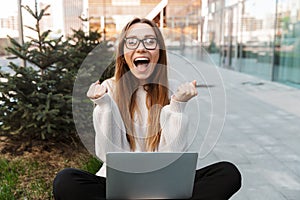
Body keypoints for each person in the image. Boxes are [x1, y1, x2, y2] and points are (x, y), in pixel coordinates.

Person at [53, 18, 241, 200]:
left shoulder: (174, 89)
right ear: (123, 54)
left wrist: (177, 106)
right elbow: (107, 155)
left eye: (150, 41)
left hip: (165, 184)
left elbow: (173, 157)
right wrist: (104, 105)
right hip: (118, 185)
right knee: (66, 181)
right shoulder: (108, 89)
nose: (141, 48)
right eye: (132, 42)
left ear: (159, 51)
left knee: (227, 173)